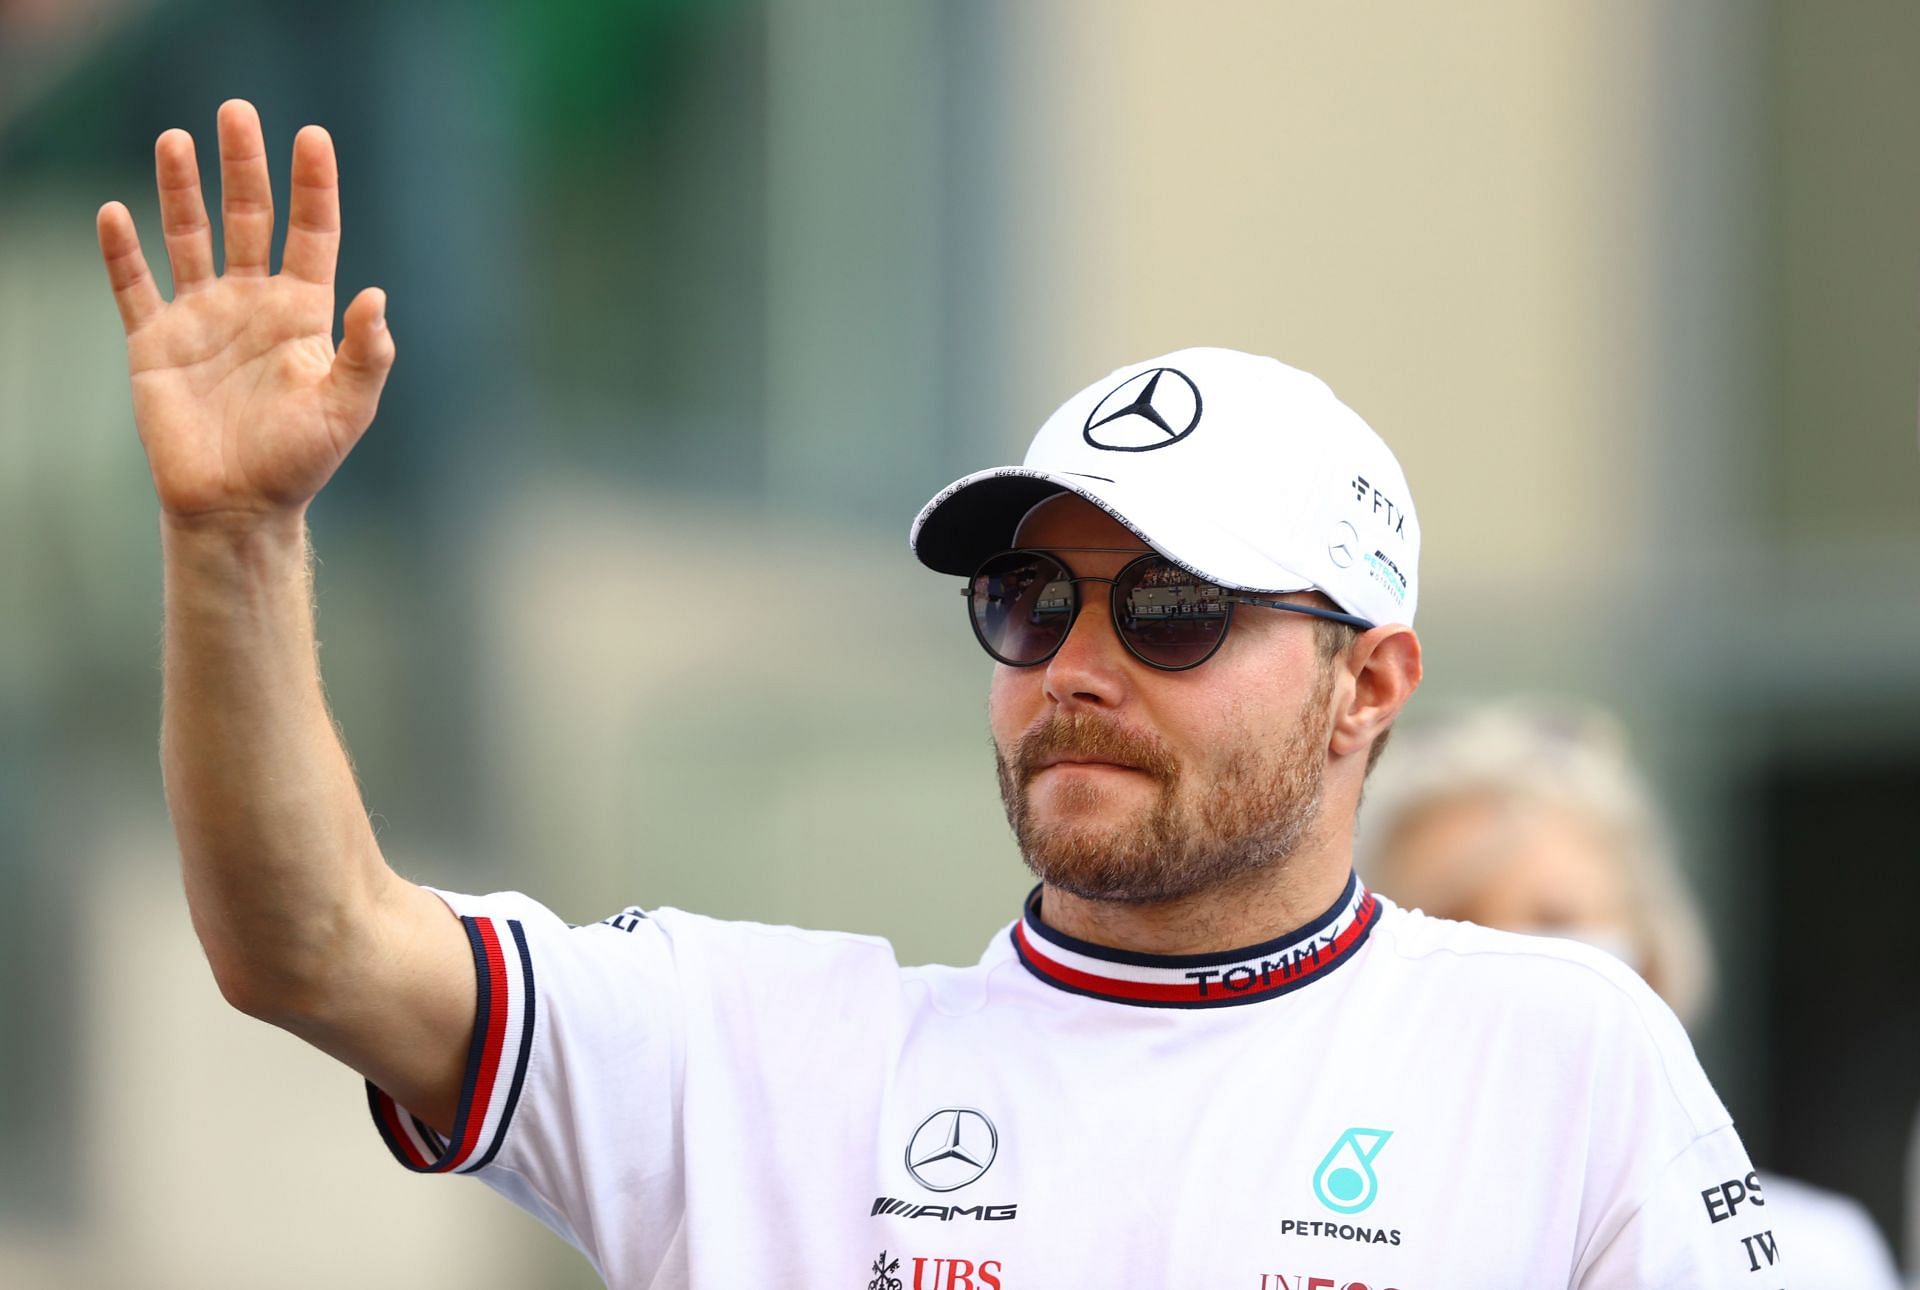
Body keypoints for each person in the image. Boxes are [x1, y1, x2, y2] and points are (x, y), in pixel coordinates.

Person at [97, 100, 1787, 1288]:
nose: (1079, 663)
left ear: (1369, 685)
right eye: (1028, 599)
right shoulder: (759, 1056)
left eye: (1178, 611)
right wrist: (234, 540)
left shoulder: (1561, 1055)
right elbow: (305, 943)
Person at [1361, 701, 1901, 1288]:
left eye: (1555, 921)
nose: (1511, 960)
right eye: (1452, 923)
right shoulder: (1313, 1245)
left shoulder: (1811, 1259)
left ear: (1652, 958)